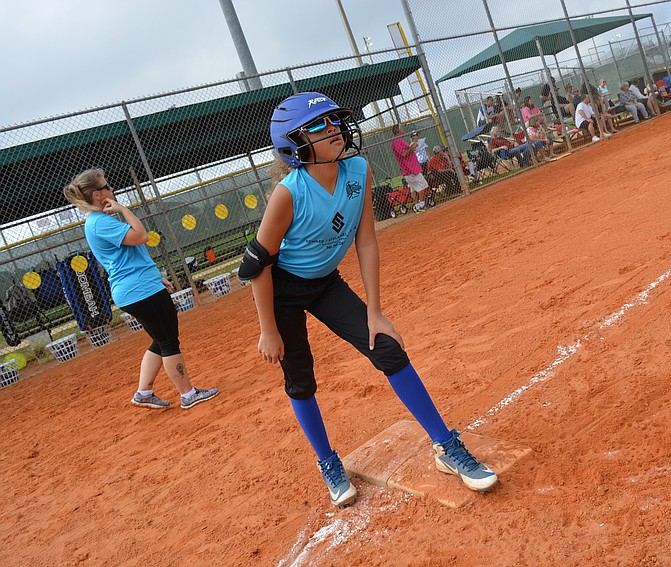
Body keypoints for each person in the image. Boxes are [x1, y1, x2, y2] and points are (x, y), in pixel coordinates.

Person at [245, 92, 497, 508]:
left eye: (335, 121)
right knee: (301, 379)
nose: (334, 130)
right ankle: (327, 461)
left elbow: (365, 241)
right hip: (282, 292)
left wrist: (375, 313)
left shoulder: (357, 169)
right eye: (319, 126)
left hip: (326, 283)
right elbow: (257, 265)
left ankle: (446, 447)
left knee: (389, 349)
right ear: (294, 144)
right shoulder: (288, 193)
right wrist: (268, 330)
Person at [63, 169, 219, 410]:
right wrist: (124, 209)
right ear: (96, 194)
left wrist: (157, 277)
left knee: (160, 339)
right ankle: (188, 394)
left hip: (140, 286)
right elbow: (141, 236)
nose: (111, 189)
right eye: (107, 186)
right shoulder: (100, 222)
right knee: (168, 341)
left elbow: (132, 254)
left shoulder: (100, 221)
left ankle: (144, 392)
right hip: (139, 289)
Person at [391, 123, 429, 213]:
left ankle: (416, 206)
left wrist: (413, 146)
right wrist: (412, 146)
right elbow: (404, 154)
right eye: (402, 128)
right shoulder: (397, 141)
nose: (403, 130)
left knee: (413, 188)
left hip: (410, 168)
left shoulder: (399, 140)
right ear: (398, 131)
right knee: (422, 184)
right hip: (410, 168)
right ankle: (421, 204)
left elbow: (408, 151)